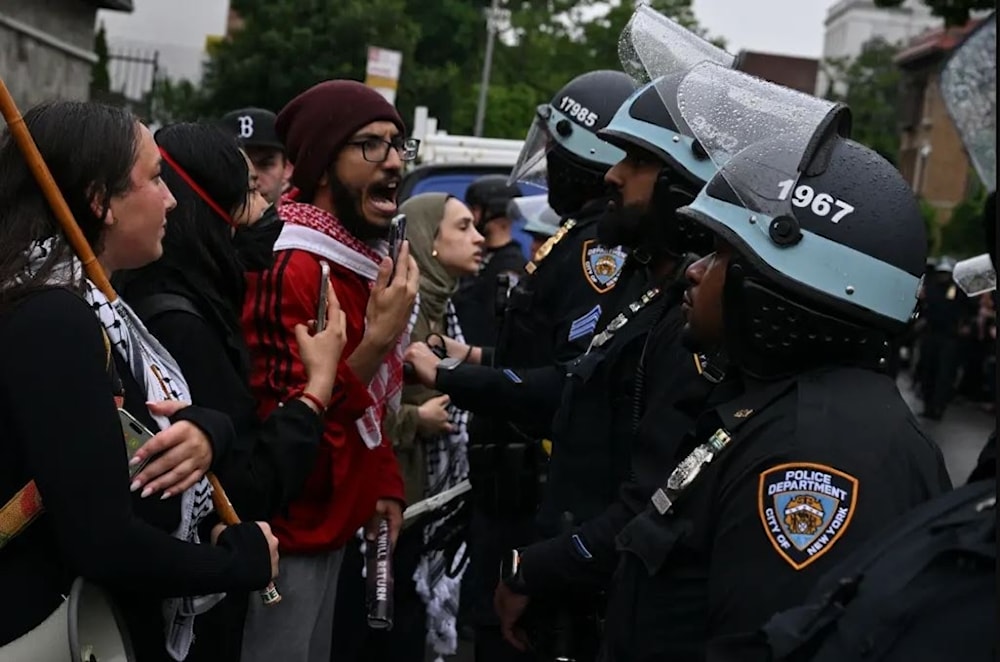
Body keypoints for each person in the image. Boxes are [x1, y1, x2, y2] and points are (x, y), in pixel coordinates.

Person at [587, 64, 950, 661]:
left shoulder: (815, 455)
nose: (696, 269)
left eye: (726, 254)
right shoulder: (785, 406)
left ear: (785, 294)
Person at [0, 101, 278, 662]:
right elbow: (102, 538)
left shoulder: (94, 307)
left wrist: (207, 430)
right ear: (102, 201)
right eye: (155, 178)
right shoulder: (53, 319)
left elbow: (126, 441)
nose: (171, 198)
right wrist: (231, 565)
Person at [406, 69, 636, 662]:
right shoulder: (579, 236)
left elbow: (570, 381)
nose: (548, 164)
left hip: (533, 500)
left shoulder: (595, 251)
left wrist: (453, 376)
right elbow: (539, 356)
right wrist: (474, 357)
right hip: (512, 495)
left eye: (557, 152)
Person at [113, 121, 348, 660]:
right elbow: (242, 490)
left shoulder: (189, 297)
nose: (268, 208)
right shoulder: (180, 322)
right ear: (206, 209)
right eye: (246, 192)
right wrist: (317, 389)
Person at [239, 79, 420, 662]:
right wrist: (380, 338)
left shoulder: (362, 259)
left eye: (397, 144)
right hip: (285, 538)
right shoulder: (289, 264)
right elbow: (289, 422)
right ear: (320, 163)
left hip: (338, 523)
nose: (393, 161)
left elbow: (364, 404)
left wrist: (384, 481)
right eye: (370, 145)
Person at [337, 192, 484, 662]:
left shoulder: (444, 309)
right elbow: (356, 399)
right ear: (428, 240)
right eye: (462, 227)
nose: (478, 238)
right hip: (384, 498)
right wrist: (415, 420)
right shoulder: (403, 311)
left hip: (424, 500)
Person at [451, 174, 525, 347]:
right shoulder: (478, 258)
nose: (469, 216)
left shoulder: (510, 266)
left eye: (474, 210)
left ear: (493, 212)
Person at [221, 107, 292, 205]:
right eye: (239, 165)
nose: (252, 177)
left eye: (265, 164)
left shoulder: (306, 218)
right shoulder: (197, 219)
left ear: (288, 169)